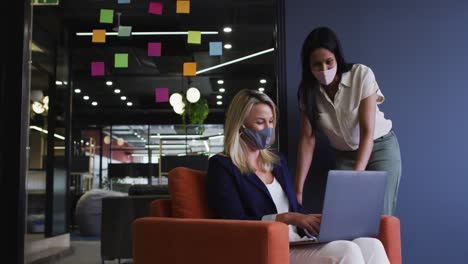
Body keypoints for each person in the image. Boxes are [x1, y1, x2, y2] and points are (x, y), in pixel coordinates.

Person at [206, 89, 390, 264]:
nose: (268, 129)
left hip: (299, 240)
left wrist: (324, 223)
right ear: (240, 126)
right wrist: (286, 218)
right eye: (260, 122)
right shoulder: (222, 166)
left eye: (271, 122)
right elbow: (233, 221)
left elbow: (296, 209)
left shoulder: (277, 161)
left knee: (371, 244)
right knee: (346, 251)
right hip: (267, 247)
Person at [294, 27, 402, 216]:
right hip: (344, 156)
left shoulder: (361, 74)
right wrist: (298, 190)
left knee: (381, 214)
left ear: (337, 58)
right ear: (308, 66)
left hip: (379, 147)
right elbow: (307, 139)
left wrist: (356, 177)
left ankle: (382, 246)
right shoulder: (307, 92)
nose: (324, 69)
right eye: (317, 65)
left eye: (329, 62)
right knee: (345, 216)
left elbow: (367, 132)